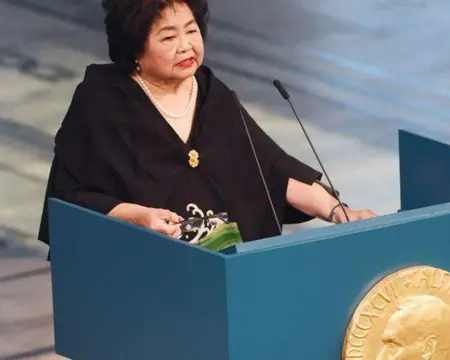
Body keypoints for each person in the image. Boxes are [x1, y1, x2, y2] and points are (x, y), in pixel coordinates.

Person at [37, 0, 377, 250]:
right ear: (135, 49)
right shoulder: (101, 101)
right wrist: (138, 216)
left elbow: (270, 170)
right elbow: (74, 196)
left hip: (229, 270)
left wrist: (337, 212)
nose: (186, 45)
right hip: (144, 271)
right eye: (168, 38)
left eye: (191, 31)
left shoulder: (213, 94)